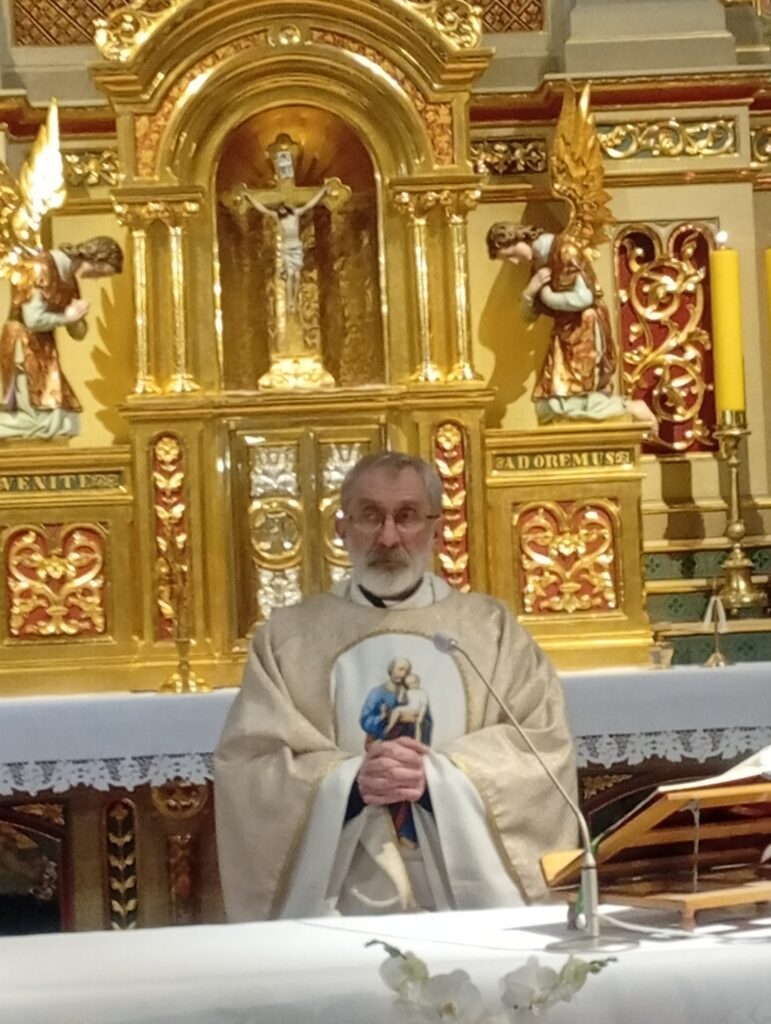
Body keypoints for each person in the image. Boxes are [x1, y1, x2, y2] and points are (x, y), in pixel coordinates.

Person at [214, 451, 578, 920]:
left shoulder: (490, 631)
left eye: (407, 516)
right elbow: (251, 768)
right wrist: (348, 784)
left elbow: (542, 750)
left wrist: (437, 780)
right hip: (343, 902)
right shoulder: (288, 638)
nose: (388, 537)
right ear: (341, 528)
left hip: (461, 903)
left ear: (437, 529)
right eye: (370, 516)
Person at [486, 222, 657, 434]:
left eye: (511, 254)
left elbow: (584, 298)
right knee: (550, 404)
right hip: (565, 332)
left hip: (584, 330)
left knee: (570, 398)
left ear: (518, 238)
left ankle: (630, 408)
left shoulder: (565, 250)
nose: (514, 262)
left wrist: (547, 296)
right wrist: (530, 290)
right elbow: (527, 316)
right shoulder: (540, 261)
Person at [0, 236, 124, 441]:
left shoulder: (70, 280)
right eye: (99, 273)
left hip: (45, 350)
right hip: (23, 346)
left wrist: (77, 318)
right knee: (41, 421)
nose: (95, 279)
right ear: (96, 259)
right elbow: (32, 319)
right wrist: (67, 317)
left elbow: (78, 333)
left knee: (66, 422)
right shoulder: (41, 267)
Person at [246, 185, 329, 314]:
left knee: (297, 275)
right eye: (280, 209)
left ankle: (294, 299)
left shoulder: (296, 213)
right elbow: (262, 208)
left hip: (296, 247)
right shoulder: (278, 217)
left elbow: (310, 204)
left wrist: (322, 192)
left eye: (283, 208)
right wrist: (249, 197)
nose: (282, 210)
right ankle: (290, 301)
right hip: (287, 247)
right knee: (290, 274)